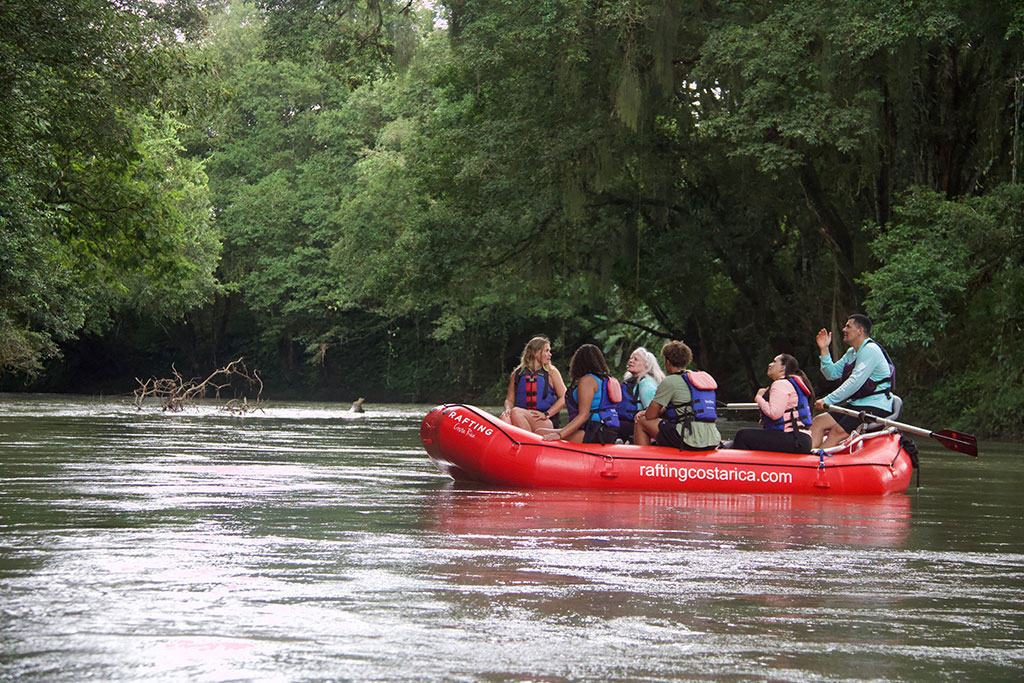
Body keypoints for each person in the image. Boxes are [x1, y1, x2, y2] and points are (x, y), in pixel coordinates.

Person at [811, 314, 896, 448]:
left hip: (875, 406)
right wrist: (824, 349)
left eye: (848, 326)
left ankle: (817, 462)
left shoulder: (870, 350)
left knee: (837, 431)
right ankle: (807, 458)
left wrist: (828, 400)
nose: (844, 329)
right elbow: (831, 374)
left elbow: (854, 382)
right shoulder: (852, 352)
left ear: (860, 331)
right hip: (856, 405)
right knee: (818, 422)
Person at [634, 341, 721, 450]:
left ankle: (643, 462)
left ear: (667, 361)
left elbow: (650, 416)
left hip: (689, 439)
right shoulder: (694, 379)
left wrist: (645, 413)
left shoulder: (670, 381)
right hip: (713, 438)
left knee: (642, 420)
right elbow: (686, 408)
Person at [730, 354, 814, 453]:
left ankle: (743, 467)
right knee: (752, 436)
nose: (770, 364)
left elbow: (774, 413)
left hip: (794, 439)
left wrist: (759, 398)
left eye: (774, 362)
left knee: (742, 435)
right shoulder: (790, 383)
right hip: (801, 439)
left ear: (783, 368)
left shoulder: (781, 384)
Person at [541, 344, 621, 444]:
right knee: (539, 431)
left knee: (540, 434)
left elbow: (583, 416)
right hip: (607, 429)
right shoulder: (604, 379)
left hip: (596, 430)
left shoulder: (587, 380)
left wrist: (559, 435)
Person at [500, 335, 566, 433]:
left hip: (545, 420)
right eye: (546, 351)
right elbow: (509, 399)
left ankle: (527, 444)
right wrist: (508, 409)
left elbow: (564, 397)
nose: (550, 354)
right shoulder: (518, 373)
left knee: (516, 412)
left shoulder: (552, 372)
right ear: (536, 353)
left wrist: (547, 414)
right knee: (505, 418)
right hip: (521, 416)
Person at [614, 347, 664, 442]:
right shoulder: (632, 382)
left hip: (636, 425)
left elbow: (653, 411)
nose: (630, 361)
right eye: (631, 358)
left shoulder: (646, 383)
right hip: (629, 423)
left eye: (635, 359)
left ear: (646, 366)